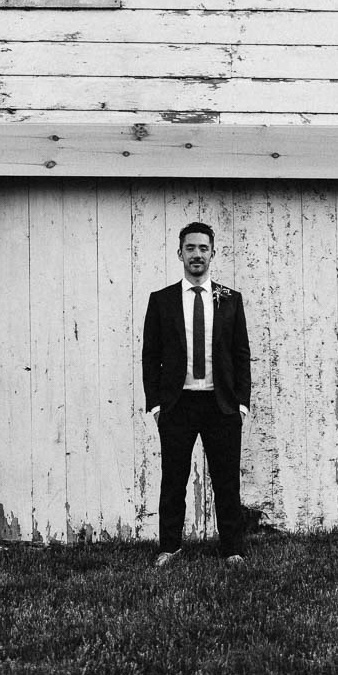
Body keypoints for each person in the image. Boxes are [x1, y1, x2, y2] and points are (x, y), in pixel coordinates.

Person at [140, 220, 252, 566]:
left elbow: (241, 354)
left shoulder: (231, 299)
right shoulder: (161, 301)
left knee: (226, 480)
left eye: (204, 248)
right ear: (179, 253)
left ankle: (232, 548)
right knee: (174, 480)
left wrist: (242, 405)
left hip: (221, 405)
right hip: (178, 404)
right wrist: (156, 405)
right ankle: (169, 547)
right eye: (190, 248)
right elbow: (151, 355)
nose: (197, 254)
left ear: (213, 253)